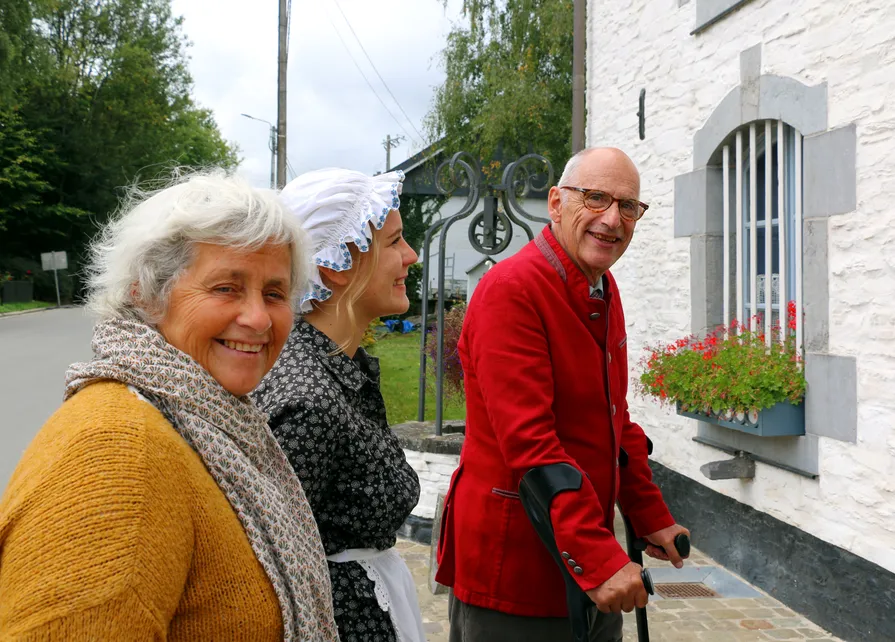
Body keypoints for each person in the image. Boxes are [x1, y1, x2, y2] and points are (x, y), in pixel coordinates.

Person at [0, 171, 339, 641]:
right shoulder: (119, 453)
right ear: (146, 293)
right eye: (226, 287)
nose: (258, 318)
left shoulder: (212, 421)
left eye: (274, 294)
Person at [435, 148, 691, 642]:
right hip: (517, 568)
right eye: (595, 198)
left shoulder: (602, 286)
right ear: (556, 203)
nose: (612, 219)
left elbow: (615, 421)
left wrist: (649, 516)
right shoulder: (512, 290)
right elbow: (531, 445)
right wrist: (598, 559)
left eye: (628, 206)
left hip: (591, 557)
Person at [252, 168, 426, 642]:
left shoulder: (335, 367)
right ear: (337, 265)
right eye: (394, 242)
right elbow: (270, 566)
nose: (411, 255)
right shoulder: (307, 399)